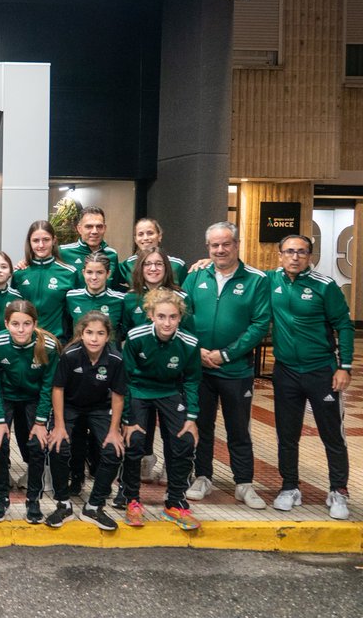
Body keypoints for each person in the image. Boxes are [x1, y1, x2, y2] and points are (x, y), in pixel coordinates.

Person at [181, 221, 270, 509]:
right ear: (207, 248)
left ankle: (244, 483)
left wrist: (227, 354)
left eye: (225, 244)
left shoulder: (256, 280)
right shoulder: (195, 277)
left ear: (236, 244)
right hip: (200, 367)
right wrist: (199, 350)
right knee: (201, 426)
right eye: (214, 245)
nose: (220, 249)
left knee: (238, 429)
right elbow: (181, 315)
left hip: (236, 369)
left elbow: (259, 325)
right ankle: (203, 477)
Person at [267, 234, 354, 520]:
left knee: (332, 434)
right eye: (289, 251)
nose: (295, 257)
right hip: (286, 371)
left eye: (301, 252)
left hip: (321, 371)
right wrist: (204, 262)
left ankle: (338, 491)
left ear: (309, 256)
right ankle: (290, 487)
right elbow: (240, 272)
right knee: (287, 434)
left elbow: (344, 324)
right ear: (280, 254)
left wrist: (346, 367)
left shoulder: (324, 286)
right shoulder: (271, 281)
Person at [121, 289, 202, 530]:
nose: (167, 323)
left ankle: (175, 502)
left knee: (184, 441)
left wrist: (192, 416)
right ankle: (132, 500)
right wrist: (126, 417)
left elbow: (192, 380)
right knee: (134, 441)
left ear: (180, 318)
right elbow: (124, 379)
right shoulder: (135, 337)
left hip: (169, 392)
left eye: (173, 317)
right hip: (138, 391)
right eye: (162, 317)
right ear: (152, 316)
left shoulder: (189, 343)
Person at [44, 312, 126, 530]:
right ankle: (63, 504)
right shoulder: (70, 355)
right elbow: (58, 389)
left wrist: (114, 430)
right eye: (89, 332)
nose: (94, 338)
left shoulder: (116, 359)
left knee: (113, 449)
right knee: (58, 445)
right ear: (81, 334)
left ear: (108, 337)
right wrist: (59, 426)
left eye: (100, 333)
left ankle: (94, 506)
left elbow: (118, 395)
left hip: (100, 408)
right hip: (70, 406)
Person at [0, 300, 60, 523]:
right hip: (5, 397)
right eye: (16, 324)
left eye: (27, 324)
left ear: (35, 324)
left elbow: (48, 386)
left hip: (33, 398)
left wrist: (40, 422)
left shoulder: (47, 346)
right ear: (6, 323)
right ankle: (1, 499)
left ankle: (33, 500)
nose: (21, 329)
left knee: (37, 445)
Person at [13, 220, 78, 339]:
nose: (41, 245)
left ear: (54, 240)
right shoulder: (19, 274)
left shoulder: (69, 273)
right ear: (30, 242)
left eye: (46, 240)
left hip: (57, 341)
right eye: (36, 240)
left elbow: (74, 313)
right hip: (26, 340)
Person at [115, 217, 187, 290]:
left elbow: (187, 292)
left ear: (159, 236)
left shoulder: (177, 265)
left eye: (150, 233)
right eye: (140, 234)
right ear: (135, 239)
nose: (145, 238)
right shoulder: (128, 264)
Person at [65, 253, 126, 340]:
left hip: (109, 352)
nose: (94, 277)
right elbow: (67, 328)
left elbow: (123, 331)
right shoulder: (71, 297)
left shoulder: (120, 300)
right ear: (83, 273)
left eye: (99, 272)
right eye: (89, 272)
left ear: (108, 274)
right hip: (79, 351)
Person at [58, 206, 119, 278]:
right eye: (89, 226)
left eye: (99, 226)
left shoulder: (112, 254)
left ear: (105, 228)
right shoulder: (63, 252)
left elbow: (114, 286)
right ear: (79, 229)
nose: (94, 231)